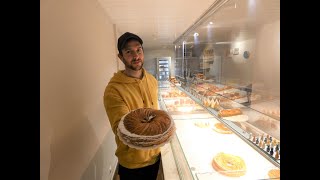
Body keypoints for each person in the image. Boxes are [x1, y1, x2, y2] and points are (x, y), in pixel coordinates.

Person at [103, 32, 161, 180]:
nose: (136, 56)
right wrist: (161, 131)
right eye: (129, 51)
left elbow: (156, 114)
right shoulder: (113, 90)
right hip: (133, 164)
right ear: (121, 57)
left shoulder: (152, 81)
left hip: (155, 156)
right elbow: (122, 130)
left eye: (139, 49)